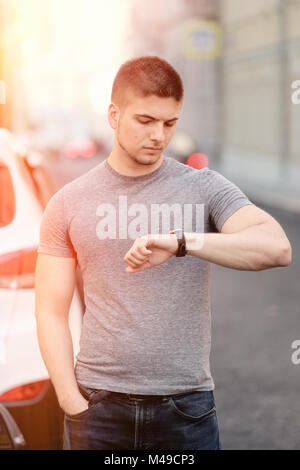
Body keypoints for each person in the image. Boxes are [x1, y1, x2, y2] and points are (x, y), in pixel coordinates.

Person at [35, 56, 292, 450]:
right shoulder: (68, 202)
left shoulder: (202, 187)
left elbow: (276, 248)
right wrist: (72, 402)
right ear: (113, 115)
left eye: (170, 123)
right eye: (145, 120)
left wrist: (183, 242)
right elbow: (51, 311)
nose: (158, 135)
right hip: (99, 408)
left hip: (185, 411)